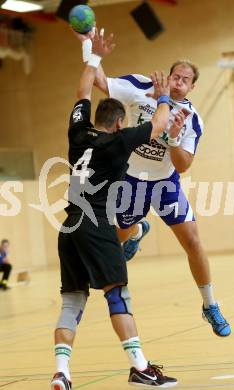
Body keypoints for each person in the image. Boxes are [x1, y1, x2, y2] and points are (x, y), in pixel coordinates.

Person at [51, 29, 181, 390]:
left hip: (69, 227)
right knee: (116, 294)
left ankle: (62, 372)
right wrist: (164, 96)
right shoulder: (120, 141)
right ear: (120, 122)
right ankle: (140, 368)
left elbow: (82, 91)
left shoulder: (78, 134)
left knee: (72, 303)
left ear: (97, 117)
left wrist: (91, 54)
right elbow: (157, 125)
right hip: (96, 225)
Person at [84, 39, 231, 338]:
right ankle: (137, 231)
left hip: (164, 183)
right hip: (130, 179)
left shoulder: (193, 120)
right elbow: (99, 81)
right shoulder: (141, 86)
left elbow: (183, 166)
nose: (178, 83)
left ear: (192, 87)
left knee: (192, 241)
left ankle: (210, 305)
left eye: (185, 80)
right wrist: (89, 46)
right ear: (168, 75)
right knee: (119, 237)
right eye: (176, 76)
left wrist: (174, 139)